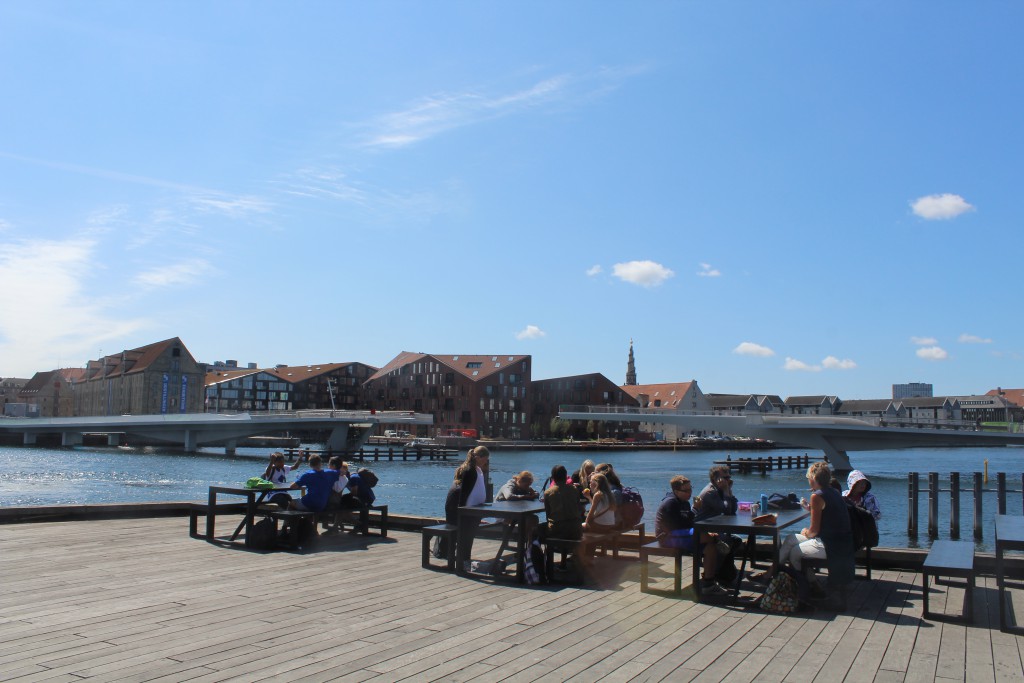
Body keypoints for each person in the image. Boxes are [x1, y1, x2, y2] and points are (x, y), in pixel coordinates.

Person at [775, 461, 855, 608]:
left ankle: (802, 590)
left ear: (813, 478)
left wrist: (806, 532)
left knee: (794, 553)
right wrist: (810, 511)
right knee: (790, 539)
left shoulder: (816, 496)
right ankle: (775, 573)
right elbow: (826, 516)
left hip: (830, 545)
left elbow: (813, 531)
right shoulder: (834, 492)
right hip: (843, 542)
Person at [654, 475, 724, 595]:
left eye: (690, 489)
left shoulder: (685, 503)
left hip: (680, 534)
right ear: (676, 491)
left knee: (710, 547)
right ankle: (717, 541)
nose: (689, 493)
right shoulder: (671, 503)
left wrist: (693, 513)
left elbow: (688, 524)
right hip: (667, 537)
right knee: (704, 536)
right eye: (685, 491)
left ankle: (708, 582)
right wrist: (695, 510)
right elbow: (678, 525)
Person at [454, 446, 490, 564]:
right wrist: (461, 509)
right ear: (479, 457)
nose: (486, 461)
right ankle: (462, 559)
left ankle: (466, 558)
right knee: (466, 536)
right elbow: (464, 491)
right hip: (469, 509)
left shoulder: (478, 470)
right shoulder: (469, 470)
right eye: (485, 458)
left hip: (476, 508)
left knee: (471, 535)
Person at [579, 471, 617, 566]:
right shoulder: (609, 494)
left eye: (591, 482)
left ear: (596, 483)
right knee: (589, 532)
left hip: (600, 526)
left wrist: (586, 524)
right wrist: (588, 497)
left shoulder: (598, 494)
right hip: (609, 525)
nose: (589, 484)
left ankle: (583, 557)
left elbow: (590, 514)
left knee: (580, 530)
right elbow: (599, 508)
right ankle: (589, 557)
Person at [543, 465, 583, 541]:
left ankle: (535, 550)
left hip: (557, 531)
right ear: (565, 476)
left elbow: (548, 514)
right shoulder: (574, 489)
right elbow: (579, 508)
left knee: (538, 528)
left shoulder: (548, 492)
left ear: (553, 477)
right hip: (576, 530)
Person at [340, 467, 376, 534]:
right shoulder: (350, 477)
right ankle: (356, 525)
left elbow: (354, 492)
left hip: (366, 499)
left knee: (342, 507)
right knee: (342, 504)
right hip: (366, 498)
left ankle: (359, 524)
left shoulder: (353, 478)